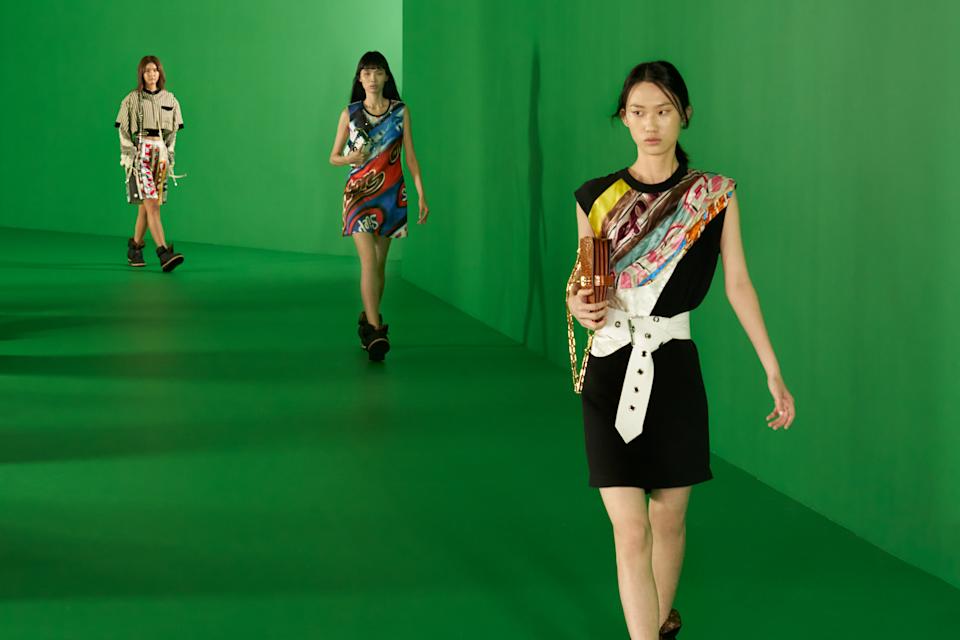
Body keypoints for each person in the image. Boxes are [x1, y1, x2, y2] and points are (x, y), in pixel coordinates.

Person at [566, 61, 796, 640]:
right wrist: (577, 303)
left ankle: (658, 621)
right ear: (623, 118)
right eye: (638, 112)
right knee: (630, 530)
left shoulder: (714, 196)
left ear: (684, 116)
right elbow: (583, 278)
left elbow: (738, 284)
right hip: (610, 367)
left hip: (673, 370)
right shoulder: (596, 198)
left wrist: (772, 369)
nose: (651, 125)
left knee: (668, 520)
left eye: (663, 111)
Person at [329, 51, 429, 361]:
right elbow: (333, 156)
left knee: (380, 264)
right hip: (358, 195)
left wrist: (421, 194)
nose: (372, 78)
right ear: (359, 79)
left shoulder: (401, 112)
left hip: (391, 196)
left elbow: (410, 156)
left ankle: (367, 319)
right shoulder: (350, 113)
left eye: (377, 72)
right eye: (366, 73)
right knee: (369, 261)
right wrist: (350, 158)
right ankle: (376, 331)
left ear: (386, 77)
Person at [115, 55, 185, 272]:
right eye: (147, 70)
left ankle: (134, 248)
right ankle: (163, 252)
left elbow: (173, 133)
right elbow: (123, 130)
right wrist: (129, 154)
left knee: (146, 209)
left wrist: (170, 154)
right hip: (141, 155)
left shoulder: (170, 99)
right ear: (141, 74)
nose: (151, 74)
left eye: (155, 70)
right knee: (152, 205)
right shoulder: (132, 99)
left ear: (160, 72)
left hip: (160, 155)